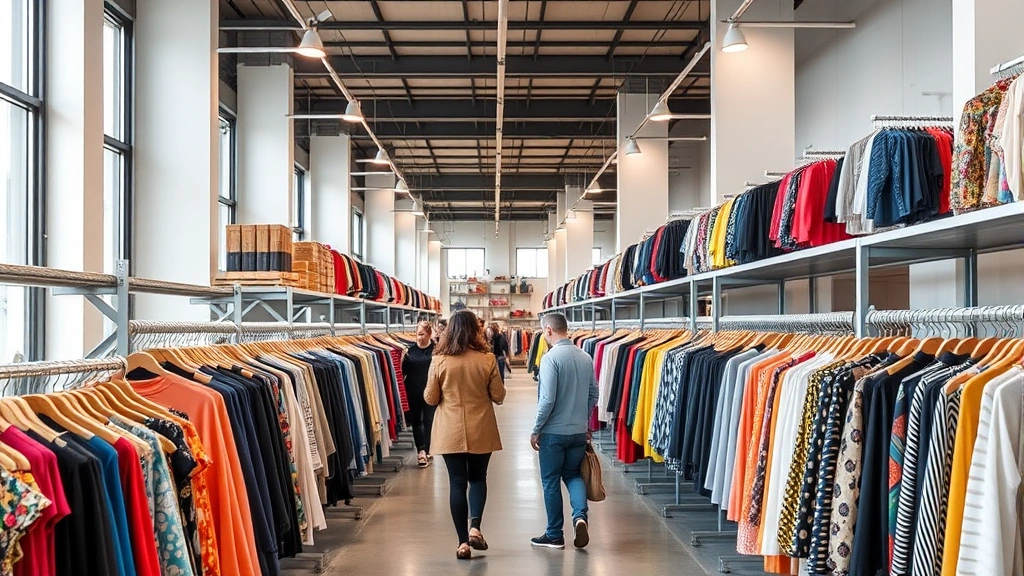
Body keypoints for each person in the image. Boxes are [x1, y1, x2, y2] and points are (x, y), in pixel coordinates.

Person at [425, 310, 507, 560]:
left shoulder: (439, 360)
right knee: (478, 479)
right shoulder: (487, 359)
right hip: (481, 426)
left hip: (450, 430)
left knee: (457, 483)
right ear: (476, 330)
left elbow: (430, 398)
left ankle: (462, 543)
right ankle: (475, 527)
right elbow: (499, 395)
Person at [529, 313, 598, 550]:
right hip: (578, 432)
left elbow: (547, 399)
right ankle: (580, 517)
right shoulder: (585, 356)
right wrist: (584, 421)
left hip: (553, 434)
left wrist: (536, 429)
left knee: (550, 482)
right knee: (573, 475)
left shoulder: (550, 359)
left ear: (549, 330)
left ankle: (554, 534)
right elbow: (593, 394)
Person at [402, 321, 436, 467]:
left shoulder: (436, 350)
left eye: (422, 334)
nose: (419, 337)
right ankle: (421, 451)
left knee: (429, 420)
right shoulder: (410, 351)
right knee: (417, 421)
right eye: (417, 334)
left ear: (429, 334)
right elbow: (404, 372)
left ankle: (428, 450)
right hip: (413, 390)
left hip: (431, 389)